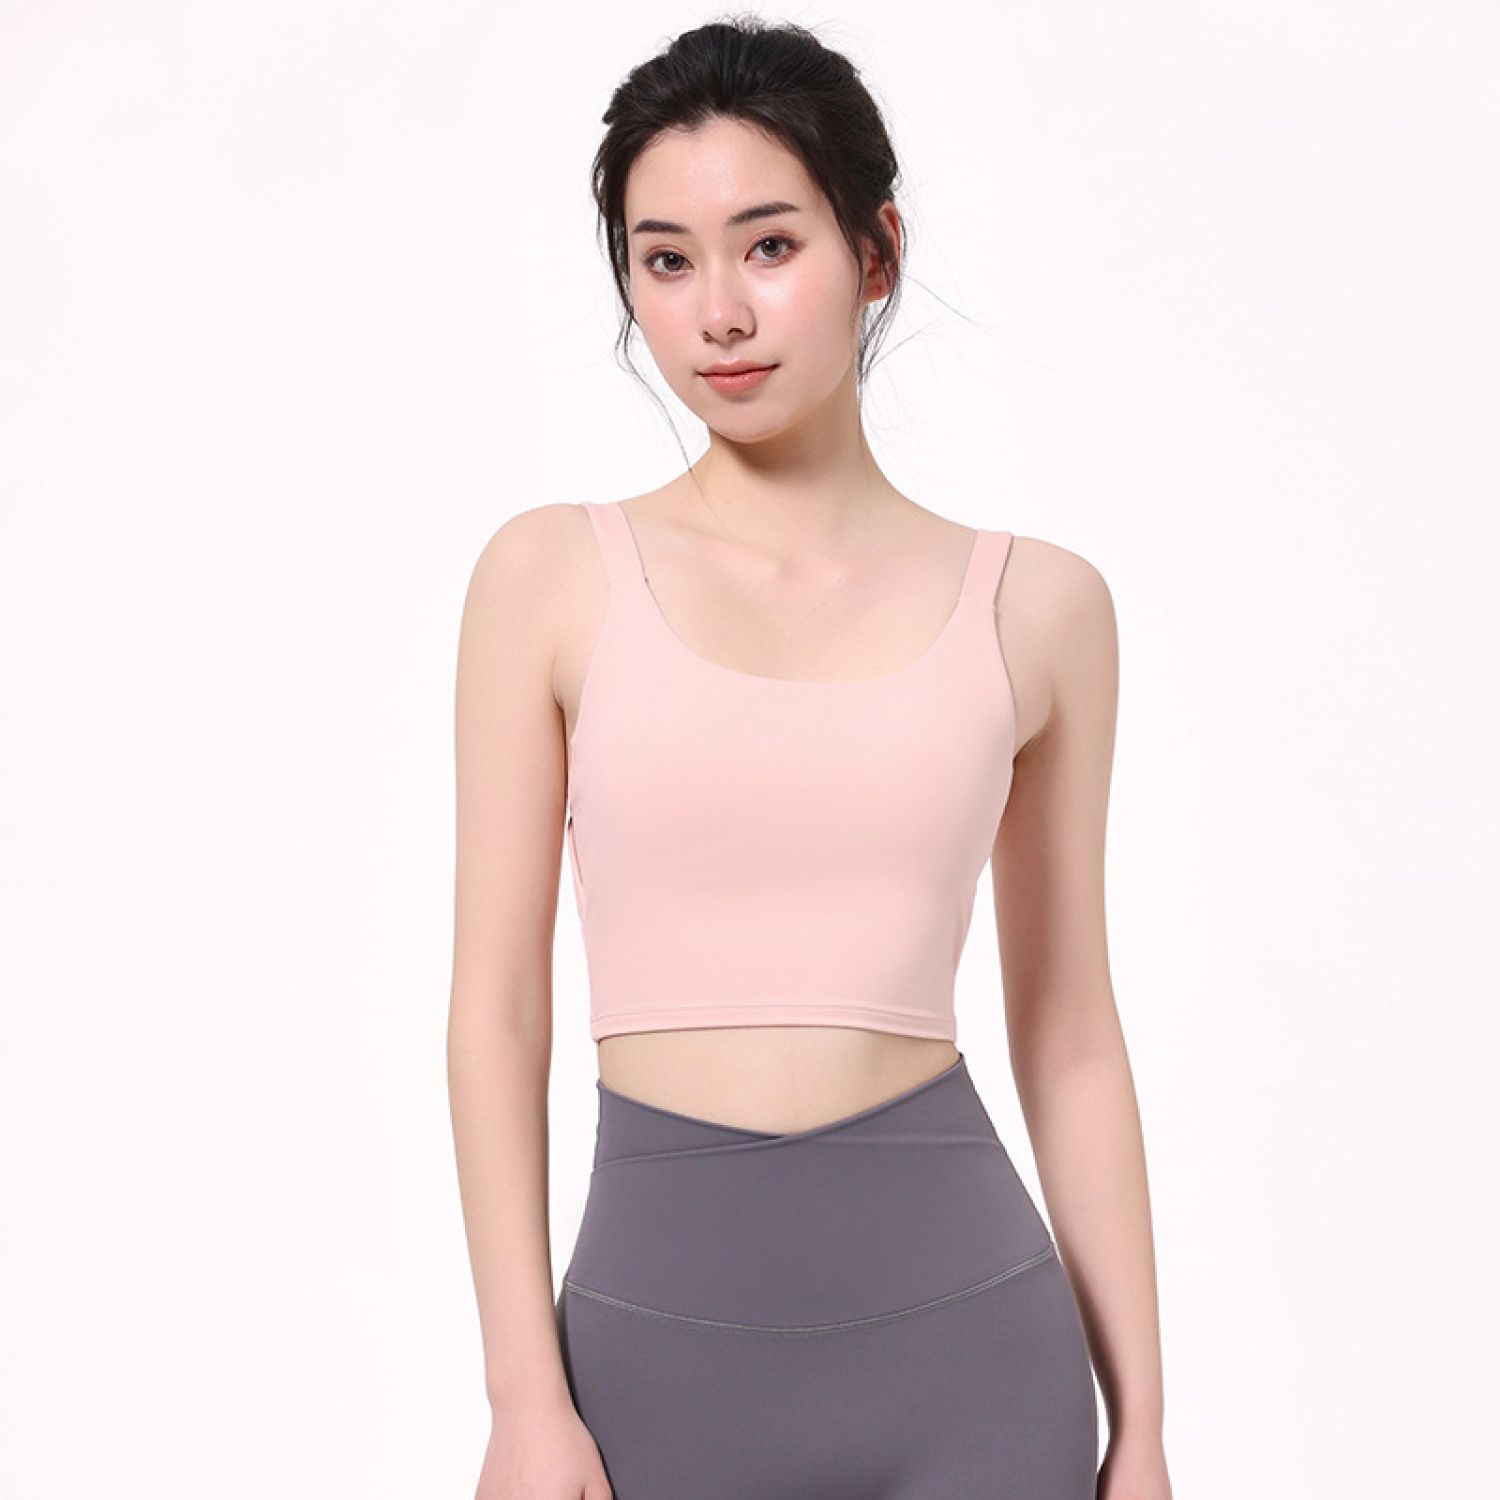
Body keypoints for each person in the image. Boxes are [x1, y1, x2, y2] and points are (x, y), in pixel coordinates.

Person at [449, 17, 1173, 1500]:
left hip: (976, 1361)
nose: (719, 312)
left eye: (769, 246)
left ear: (876, 250)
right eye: (665, 261)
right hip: (650, 1367)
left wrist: (1145, 1428)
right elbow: (497, 1010)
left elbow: (1071, 1030)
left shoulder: (1041, 609)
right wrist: (524, 1394)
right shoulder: (549, 580)